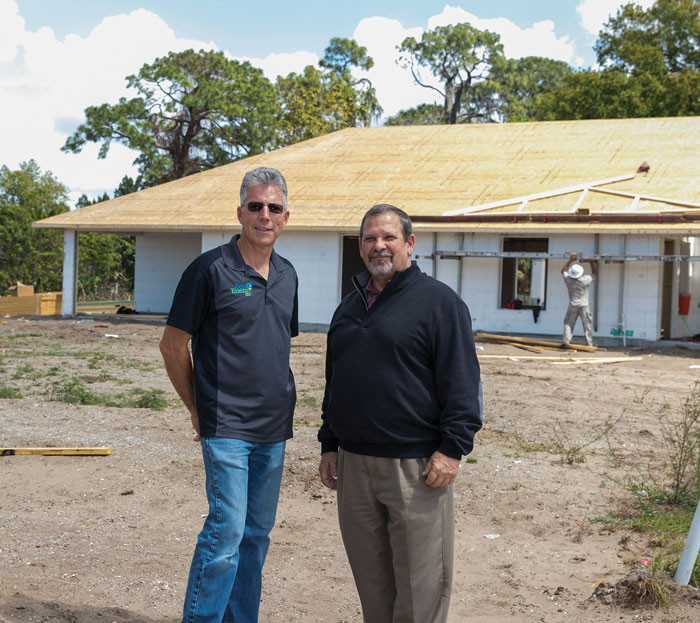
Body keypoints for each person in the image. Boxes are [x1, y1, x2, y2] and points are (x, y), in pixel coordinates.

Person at [317, 204, 482, 623]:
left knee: (419, 590)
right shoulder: (348, 308)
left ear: (409, 243)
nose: (379, 246)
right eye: (370, 238)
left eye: (389, 237)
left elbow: (462, 383)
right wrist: (330, 443)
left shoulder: (440, 304)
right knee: (373, 588)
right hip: (355, 467)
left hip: (416, 467)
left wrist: (452, 449)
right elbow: (334, 380)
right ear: (360, 247)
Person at [159, 166, 298, 623]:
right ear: (239, 212)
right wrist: (196, 408)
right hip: (226, 426)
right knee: (225, 535)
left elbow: (275, 345)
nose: (264, 215)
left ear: (285, 216)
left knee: (256, 536)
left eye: (273, 208)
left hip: (274, 429)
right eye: (255, 206)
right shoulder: (210, 269)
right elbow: (173, 344)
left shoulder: (288, 275)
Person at [561, 252, 597, 348]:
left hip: (573, 305)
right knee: (587, 325)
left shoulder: (568, 280)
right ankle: (589, 344)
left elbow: (563, 271)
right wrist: (591, 262)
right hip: (584, 305)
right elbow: (594, 274)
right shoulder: (585, 280)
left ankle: (566, 342)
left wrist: (570, 260)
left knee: (568, 323)